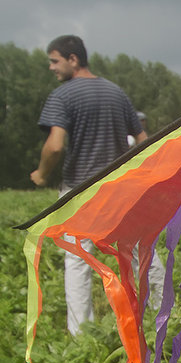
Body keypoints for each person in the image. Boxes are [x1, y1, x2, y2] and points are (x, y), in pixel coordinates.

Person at [31, 34, 147, 336]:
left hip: (79, 189)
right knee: (131, 253)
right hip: (119, 187)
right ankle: (146, 319)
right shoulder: (115, 92)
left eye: (54, 61)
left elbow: (55, 146)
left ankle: (82, 335)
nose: (51, 68)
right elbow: (143, 140)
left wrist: (42, 174)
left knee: (78, 258)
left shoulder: (63, 95)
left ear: (73, 59)